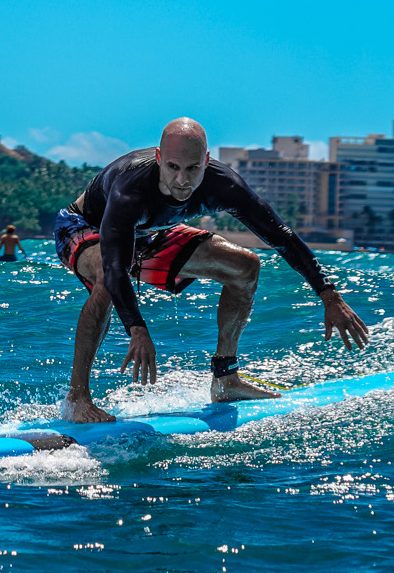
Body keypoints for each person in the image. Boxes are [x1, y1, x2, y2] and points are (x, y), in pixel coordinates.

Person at [54, 117, 370, 424]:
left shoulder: (224, 186)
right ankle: (78, 399)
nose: (182, 181)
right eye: (173, 168)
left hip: (146, 233)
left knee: (245, 266)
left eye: (193, 169)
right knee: (108, 283)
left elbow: (281, 237)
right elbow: (114, 268)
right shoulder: (130, 189)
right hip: (85, 227)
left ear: (206, 160)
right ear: (159, 157)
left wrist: (328, 294)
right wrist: (137, 329)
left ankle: (225, 379)